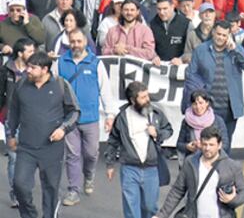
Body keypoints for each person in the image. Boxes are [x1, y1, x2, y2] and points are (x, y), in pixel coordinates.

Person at [6, 51, 79, 218]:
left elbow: (74, 112)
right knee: (20, 185)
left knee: (51, 188)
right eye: (28, 66)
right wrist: (10, 135)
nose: (27, 70)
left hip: (51, 148)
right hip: (26, 147)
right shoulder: (21, 85)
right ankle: (29, 214)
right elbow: (13, 112)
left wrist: (63, 129)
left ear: (45, 69)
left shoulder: (61, 85)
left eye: (32, 67)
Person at [56, 29, 117, 206]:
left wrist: (110, 115)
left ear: (85, 42)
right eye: (72, 41)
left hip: (90, 118)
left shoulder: (95, 63)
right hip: (68, 120)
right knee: (73, 155)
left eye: (78, 41)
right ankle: (73, 189)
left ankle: (88, 176)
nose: (75, 44)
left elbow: (105, 91)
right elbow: (54, 89)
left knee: (91, 153)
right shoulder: (60, 62)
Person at [104, 81, 173, 218]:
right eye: (143, 97)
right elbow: (113, 140)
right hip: (130, 169)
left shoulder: (155, 114)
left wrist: (157, 134)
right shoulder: (123, 117)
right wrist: (110, 164)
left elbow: (168, 129)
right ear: (132, 100)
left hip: (151, 169)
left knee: (150, 207)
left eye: (147, 96)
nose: (147, 100)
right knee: (131, 207)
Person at [154, 125, 244, 218]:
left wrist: (233, 200)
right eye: (204, 144)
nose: (207, 148)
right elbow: (177, 190)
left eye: (211, 145)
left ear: (219, 145)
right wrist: (161, 215)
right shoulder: (190, 163)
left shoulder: (232, 166)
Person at [185, 21, 244, 140]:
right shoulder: (200, 50)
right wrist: (199, 97)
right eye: (218, 34)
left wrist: (236, 49)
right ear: (213, 32)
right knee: (208, 142)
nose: (221, 37)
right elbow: (191, 74)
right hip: (208, 107)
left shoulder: (235, 49)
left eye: (224, 35)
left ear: (229, 36)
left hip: (230, 107)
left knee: (226, 142)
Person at [0, 37, 33, 209]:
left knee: (28, 158)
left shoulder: (35, 70)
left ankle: (25, 190)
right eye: (30, 51)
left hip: (31, 120)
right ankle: (16, 193)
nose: (33, 54)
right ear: (20, 53)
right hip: (11, 119)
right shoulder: (6, 70)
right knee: (14, 158)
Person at [176, 90, 230, 161]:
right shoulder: (186, 121)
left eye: (201, 103)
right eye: (195, 104)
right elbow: (179, 144)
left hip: (214, 160)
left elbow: (225, 145)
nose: (198, 107)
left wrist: (207, 147)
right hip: (193, 161)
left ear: (207, 103)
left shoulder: (217, 121)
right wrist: (187, 147)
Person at [149, 0, 189, 65]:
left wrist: (181, 59)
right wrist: (154, 56)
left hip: (179, 67)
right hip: (158, 68)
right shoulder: (152, 24)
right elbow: (148, 45)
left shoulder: (186, 23)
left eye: (165, 8)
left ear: (172, 7)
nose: (162, 12)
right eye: (159, 9)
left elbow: (192, 49)